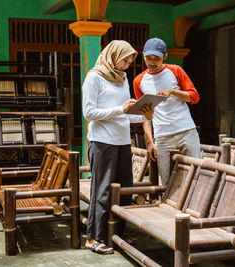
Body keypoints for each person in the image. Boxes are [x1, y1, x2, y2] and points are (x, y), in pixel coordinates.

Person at [82, 40, 153, 255]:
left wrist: (143, 114)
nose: (127, 64)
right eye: (125, 59)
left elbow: (126, 114)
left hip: (122, 142)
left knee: (124, 191)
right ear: (113, 55)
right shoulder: (94, 77)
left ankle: (117, 234)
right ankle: (94, 236)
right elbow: (89, 113)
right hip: (102, 142)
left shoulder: (122, 79)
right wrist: (119, 109)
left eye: (131, 61)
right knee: (102, 191)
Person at [133, 37, 201, 186]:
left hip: (186, 131)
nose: (152, 63)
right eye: (148, 58)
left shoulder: (175, 71)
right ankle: (170, 208)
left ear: (165, 56)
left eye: (156, 58)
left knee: (195, 174)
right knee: (167, 181)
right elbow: (144, 115)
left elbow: (194, 97)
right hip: (162, 136)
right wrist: (150, 142)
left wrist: (173, 92)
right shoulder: (139, 81)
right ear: (143, 55)